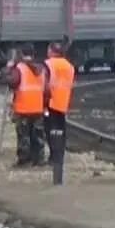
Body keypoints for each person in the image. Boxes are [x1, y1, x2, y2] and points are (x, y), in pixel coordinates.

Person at [5, 44, 47, 167]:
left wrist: (9, 67)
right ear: (33, 54)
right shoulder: (41, 69)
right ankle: (39, 159)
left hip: (23, 108)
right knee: (38, 135)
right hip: (37, 108)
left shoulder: (19, 68)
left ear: (21, 54)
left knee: (24, 135)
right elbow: (47, 89)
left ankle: (24, 159)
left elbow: (11, 81)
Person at [43, 42, 75, 184]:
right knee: (61, 131)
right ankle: (59, 156)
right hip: (63, 103)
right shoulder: (69, 66)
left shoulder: (48, 64)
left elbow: (44, 83)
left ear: (51, 52)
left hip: (50, 103)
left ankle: (54, 158)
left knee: (50, 131)